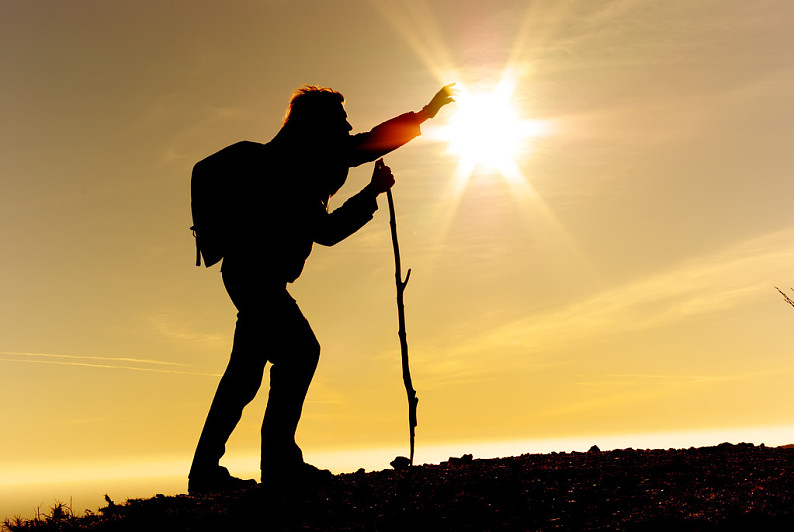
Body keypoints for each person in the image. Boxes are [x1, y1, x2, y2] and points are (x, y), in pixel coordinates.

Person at [188, 84, 454, 494]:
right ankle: (277, 464)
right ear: (319, 124)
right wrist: (371, 193)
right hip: (257, 277)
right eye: (340, 118)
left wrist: (423, 116)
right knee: (299, 352)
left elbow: (367, 143)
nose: (348, 125)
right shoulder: (294, 167)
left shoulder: (300, 154)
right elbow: (327, 232)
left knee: (244, 375)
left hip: (250, 275)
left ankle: (206, 471)